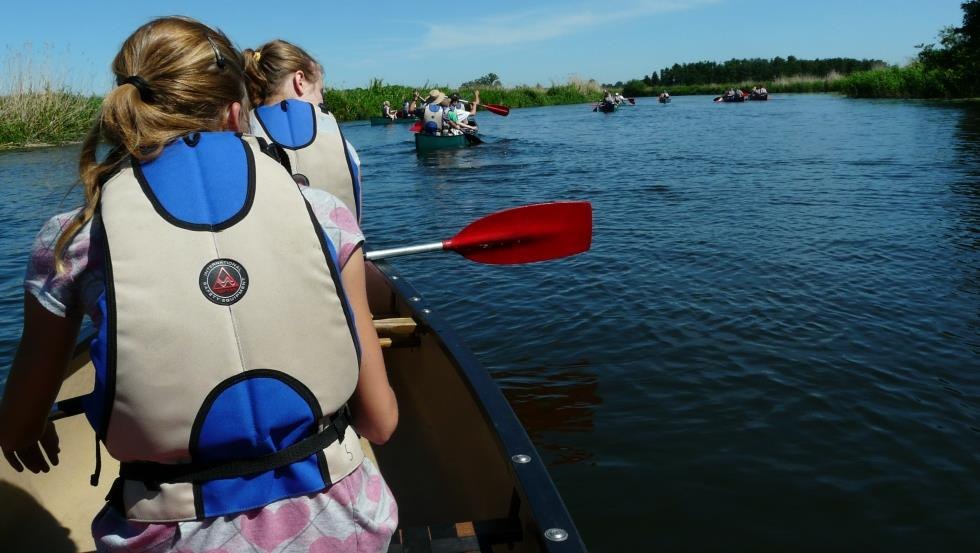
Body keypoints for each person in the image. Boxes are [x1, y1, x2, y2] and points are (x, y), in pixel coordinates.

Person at [0, 16, 398, 553]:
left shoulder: (70, 241)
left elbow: (18, 429)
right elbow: (381, 421)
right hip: (352, 532)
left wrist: (28, 427)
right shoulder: (326, 216)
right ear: (237, 113)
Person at [244, 40, 365, 221]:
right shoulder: (345, 149)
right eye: (321, 92)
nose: (322, 100)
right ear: (299, 81)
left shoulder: (243, 142)